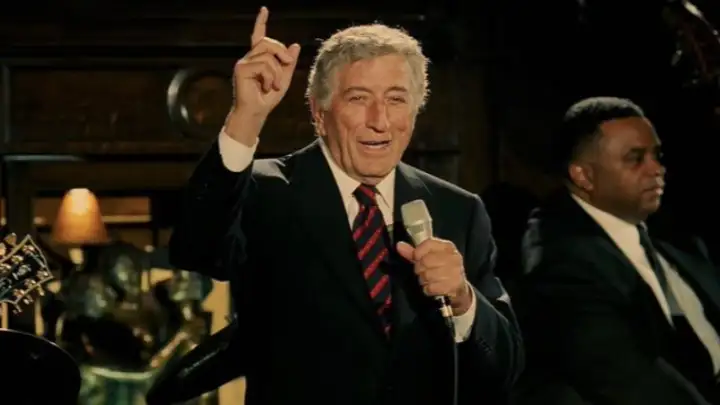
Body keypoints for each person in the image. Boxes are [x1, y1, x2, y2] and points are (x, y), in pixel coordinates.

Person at [168, 6, 523, 405]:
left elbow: (505, 367)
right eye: (358, 98)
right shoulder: (264, 191)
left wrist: (462, 299)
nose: (380, 121)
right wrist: (246, 115)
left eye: (396, 99)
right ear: (319, 114)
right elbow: (196, 249)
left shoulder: (458, 209)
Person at [515, 96, 720, 405]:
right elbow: (623, 376)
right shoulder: (560, 254)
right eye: (635, 159)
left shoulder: (673, 232)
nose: (657, 169)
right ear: (583, 176)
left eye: (657, 156)